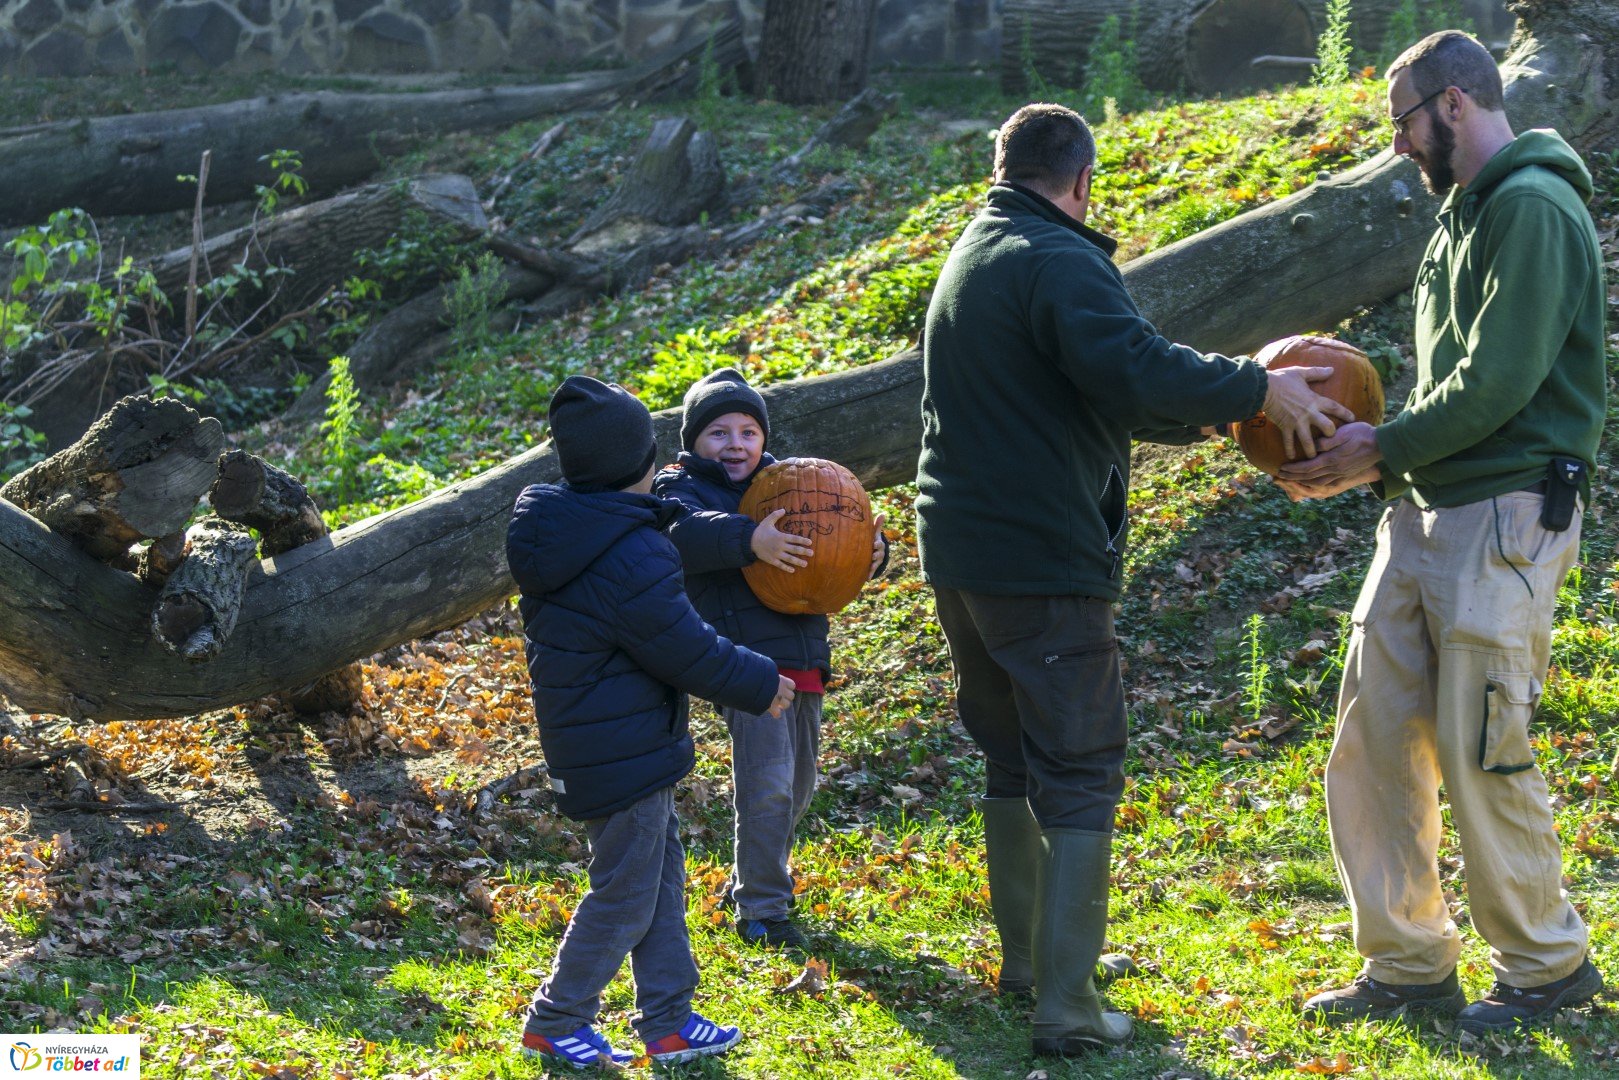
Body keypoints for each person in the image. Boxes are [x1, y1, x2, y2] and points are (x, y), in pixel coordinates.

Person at [914, 102, 1351, 1056]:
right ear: (1081, 180)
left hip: (961, 554)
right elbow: (1131, 362)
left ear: (1003, 168)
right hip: (1039, 558)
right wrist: (1256, 389)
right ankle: (1068, 1005)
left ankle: (1033, 964)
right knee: (1078, 766)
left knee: (1012, 757)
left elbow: (1091, 384)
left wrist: (1214, 411)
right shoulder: (1057, 258)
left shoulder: (976, 251)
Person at [1277, 30, 1607, 1032]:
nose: (1397, 144)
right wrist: (1349, 432)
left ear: (1453, 103)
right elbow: (1444, 384)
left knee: (1480, 748)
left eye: (1403, 122)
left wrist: (1377, 447)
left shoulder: (1532, 206)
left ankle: (1545, 966)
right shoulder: (1460, 215)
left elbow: (1499, 382)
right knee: (1371, 742)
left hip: (1505, 515)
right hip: (1420, 511)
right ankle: (1406, 964)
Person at [506, 375, 796, 1068]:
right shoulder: (628, 553)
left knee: (658, 881)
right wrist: (760, 682)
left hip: (613, 743)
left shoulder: (580, 528)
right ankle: (557, 1017)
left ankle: (667, 1019)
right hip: (621, 751)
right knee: (628, 893)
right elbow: (681, 645)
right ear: (640, 460)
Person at [654, 367, 888, 949]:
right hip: (744, 663)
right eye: (719, 433)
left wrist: (870, 552)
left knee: (798, 785)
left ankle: (747, 881)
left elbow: (832, 548)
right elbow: (682, 534)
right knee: (769, 786)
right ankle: (762, 908)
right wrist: (749, 538)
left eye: (748, 432)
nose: (735, 445)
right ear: (693, 441)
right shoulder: (680, 488)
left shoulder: (798, 487)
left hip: (803, 654)